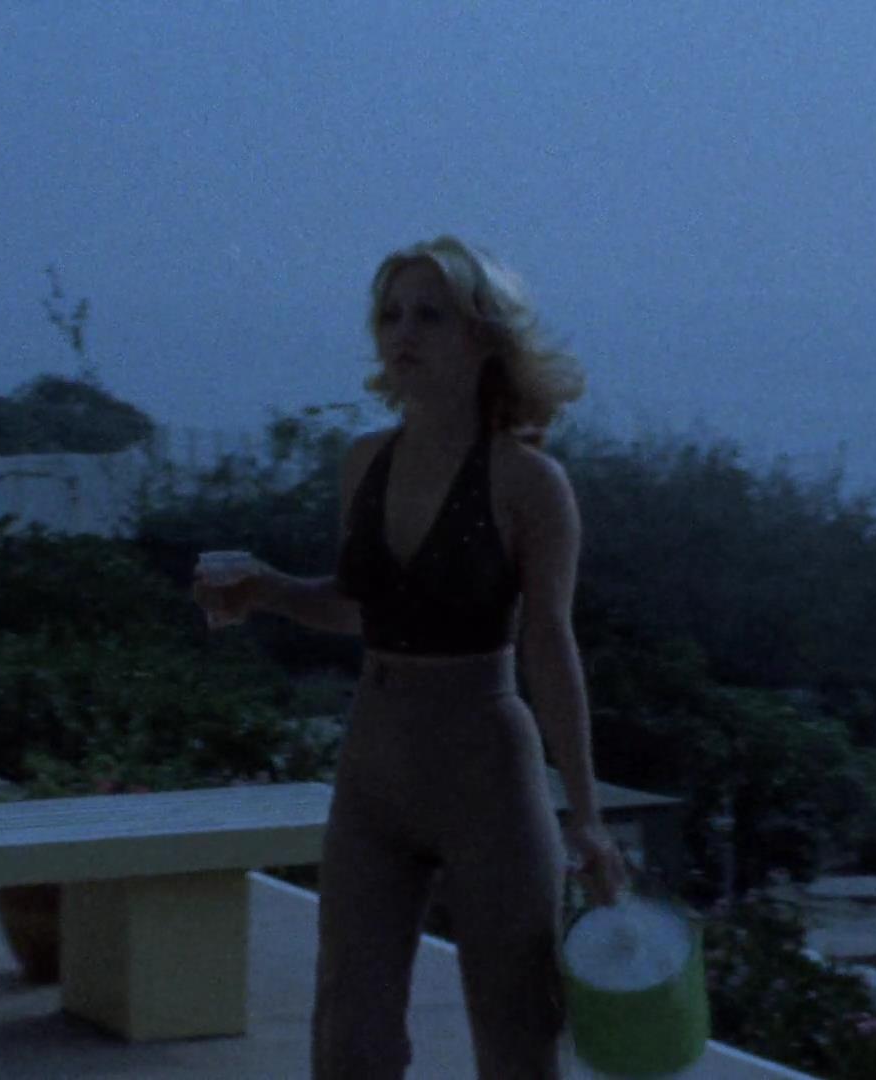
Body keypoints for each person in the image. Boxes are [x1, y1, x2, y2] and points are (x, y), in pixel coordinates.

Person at [193, 236, 628, 1078]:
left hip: (486, 767)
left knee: (517, 1028)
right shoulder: (366, 461)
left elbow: (549, 644)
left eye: (430, 315)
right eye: (391, 315)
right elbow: (362, 609)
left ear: (482, 335)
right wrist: (269, 590)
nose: (403, 333)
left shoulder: (529, 482)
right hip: (376, 759)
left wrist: (587, 814)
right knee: (349, 1031)